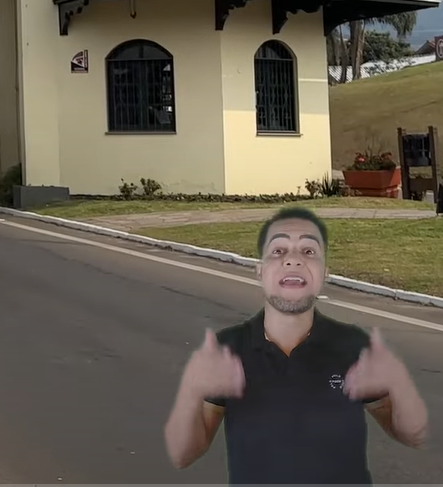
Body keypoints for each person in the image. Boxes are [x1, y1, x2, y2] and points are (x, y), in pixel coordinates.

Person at [163, 206, 428, 483]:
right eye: (278, 251)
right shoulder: (227, 348)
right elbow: (183, 455)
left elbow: (411, 434)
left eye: (308, 252)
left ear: (324, 273)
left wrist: (398, 383)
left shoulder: (353, 345)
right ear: (260, 271)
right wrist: (192, 391)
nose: (293, 260)